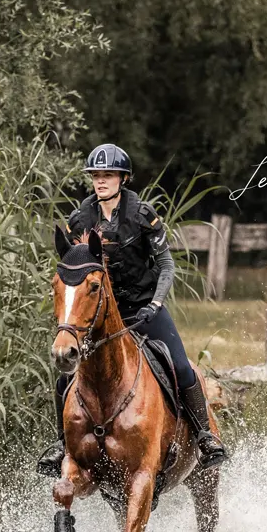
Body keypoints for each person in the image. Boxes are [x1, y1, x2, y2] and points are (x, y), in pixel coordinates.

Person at [37, 143, 228, 476]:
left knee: (182, 367)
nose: (101, 181)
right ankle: (61, 444)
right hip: (97, 316)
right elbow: (70, 270)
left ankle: (204, 436)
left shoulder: (141, 214)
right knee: (66, 377)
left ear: (122, 178)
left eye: (108, 175)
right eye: (96, 175)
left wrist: (156, 303)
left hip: (143, 308)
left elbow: (166, 263)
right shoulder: (80, 218)